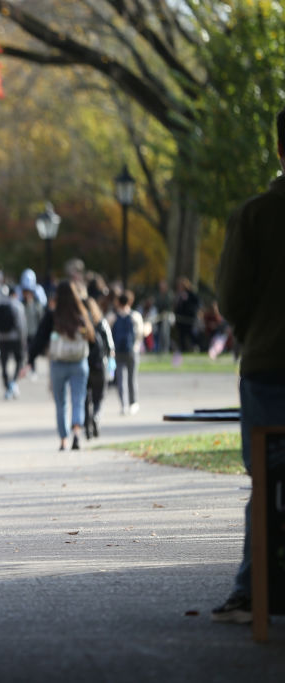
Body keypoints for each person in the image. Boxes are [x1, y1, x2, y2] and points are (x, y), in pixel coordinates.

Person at [211, 105, 285, 624]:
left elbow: (231, 298)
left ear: (279, 149)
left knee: (268, 479)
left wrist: (248, 326)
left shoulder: (258, 215)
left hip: (272, 363)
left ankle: (251, 590)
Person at [23, 281, 94, 451]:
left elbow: (39, 339)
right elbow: (93, 338)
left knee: (60, 403)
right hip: (79, 362)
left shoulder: (53, 316)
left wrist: (30, 360)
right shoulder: (82, 314)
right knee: (78, 399)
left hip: (58, 363)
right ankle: (77, 432)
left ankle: (63, 439)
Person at [83, 296, 114, 439]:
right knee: (99, 397)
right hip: (100, 365)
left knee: (85, 397)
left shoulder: (82, 325)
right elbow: (110, 346)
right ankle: (96, 416)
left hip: (84, 364)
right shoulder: (102, 323)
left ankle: (87, 425)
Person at [111, 291, 145, 416]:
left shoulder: (113, 317)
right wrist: (136, 346)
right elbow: (141, 333)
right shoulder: (135, 316)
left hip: (118, 351)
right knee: (132, 378)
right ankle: (133, 403)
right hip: (132, 351)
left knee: (120, 379)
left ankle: (123, 404)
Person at [0, 287, 27, 400]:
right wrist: (23, 340)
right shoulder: (18, 305)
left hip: (2, 338)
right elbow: (21, 325)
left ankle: (7, 386)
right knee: (19, 360)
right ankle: (13, 383)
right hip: (15, 338)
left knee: (4, 364)